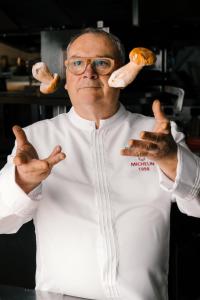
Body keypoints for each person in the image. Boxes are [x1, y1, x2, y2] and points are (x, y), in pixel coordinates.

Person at [0, 27, 200, 300]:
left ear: (122, 75)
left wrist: (172, 160)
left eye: (102, 63)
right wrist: (21, 182)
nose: (88, 73)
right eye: (77, 63)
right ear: (66, 78)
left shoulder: (158, 134)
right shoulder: (36, 138)